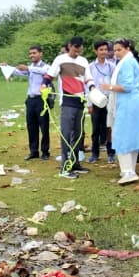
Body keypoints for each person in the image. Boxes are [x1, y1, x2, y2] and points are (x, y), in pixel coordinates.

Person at [100, 39, 139, 185]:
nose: (116, 53)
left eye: (119, 50)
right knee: (132, 135)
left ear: (127, 49)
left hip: (129, 102)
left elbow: (127, 86)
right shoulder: (129, 62)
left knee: (121, 134)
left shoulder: (128, 62)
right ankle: (128, 169)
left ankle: (128, 171)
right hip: (135, 101)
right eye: (115, 50)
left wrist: (109, 87)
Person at [45, 37, 92, 179]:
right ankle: (65, 167)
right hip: (67, 101)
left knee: (78, 134)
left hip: (80, 101)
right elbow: (49, 76)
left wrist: (92, 91)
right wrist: (44, 85)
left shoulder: (83, 61)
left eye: (80, 48)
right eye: (75, 48)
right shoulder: (60, 59)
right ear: (69, 46)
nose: (77, 51)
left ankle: (75, 163)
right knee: (66, 135)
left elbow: (88, 79)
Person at [16, 46, 52, 160]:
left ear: (41, 54)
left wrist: (27, 68)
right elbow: (18, 72)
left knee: (44, 126)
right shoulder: (30, 67)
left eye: (34, 53)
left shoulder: (46, 67)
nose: (32, 55)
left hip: (42, 99)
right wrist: (7, 67)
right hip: (30, 99)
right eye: (30, 53)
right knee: (31, 126)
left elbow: (45, 72)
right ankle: (33, 151)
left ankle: (45, 151)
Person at [88, 40, 117, 164]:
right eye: (101, 49)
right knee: (95, 128)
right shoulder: (90, 67)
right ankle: (95, 153)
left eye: (106, 49)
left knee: (109, 127)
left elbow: (115, 83)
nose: (104, 52)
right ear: (95, 51)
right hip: (96, 100)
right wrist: (89, 104)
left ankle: (111, 153)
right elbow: (87, 85)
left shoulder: (112, 66)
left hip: (109, 99)